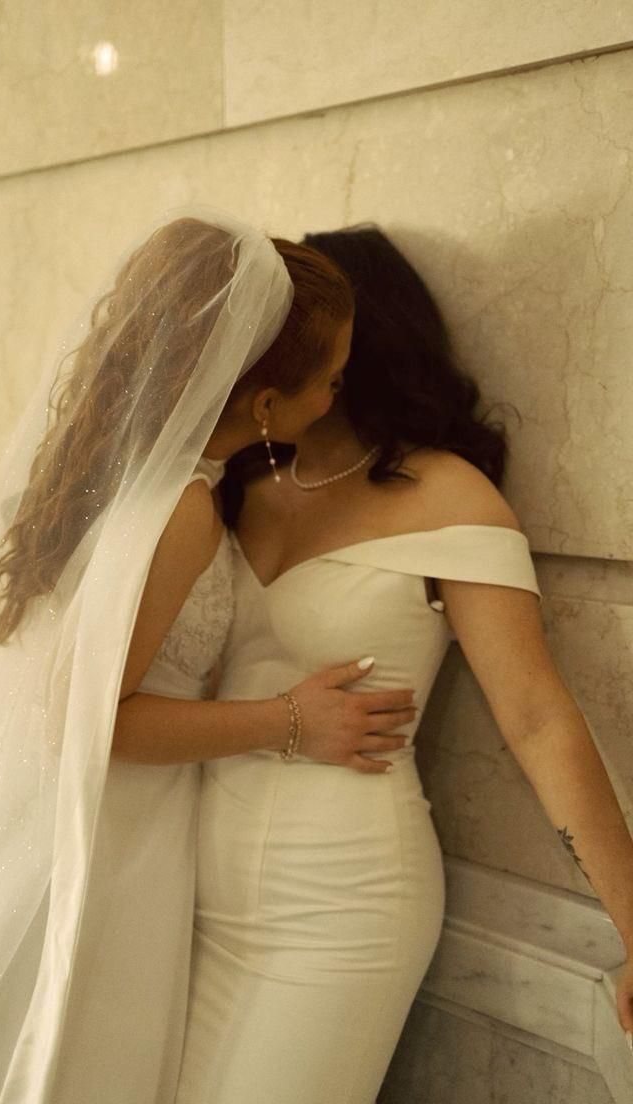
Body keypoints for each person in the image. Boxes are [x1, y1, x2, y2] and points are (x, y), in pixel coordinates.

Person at [0, 210, 415, 1104]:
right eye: (329, 379)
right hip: (109, 842)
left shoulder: (101, 467)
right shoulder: (180, 510)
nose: (336, 396)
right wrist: (292, 721)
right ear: (262, 404)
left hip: (43, 821)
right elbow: (87, 720)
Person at [175, 224, 633, 1103]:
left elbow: (537, 717)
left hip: (341, 903)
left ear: (362, 339)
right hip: (195, 887)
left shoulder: (449, 495)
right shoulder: (237, 481)